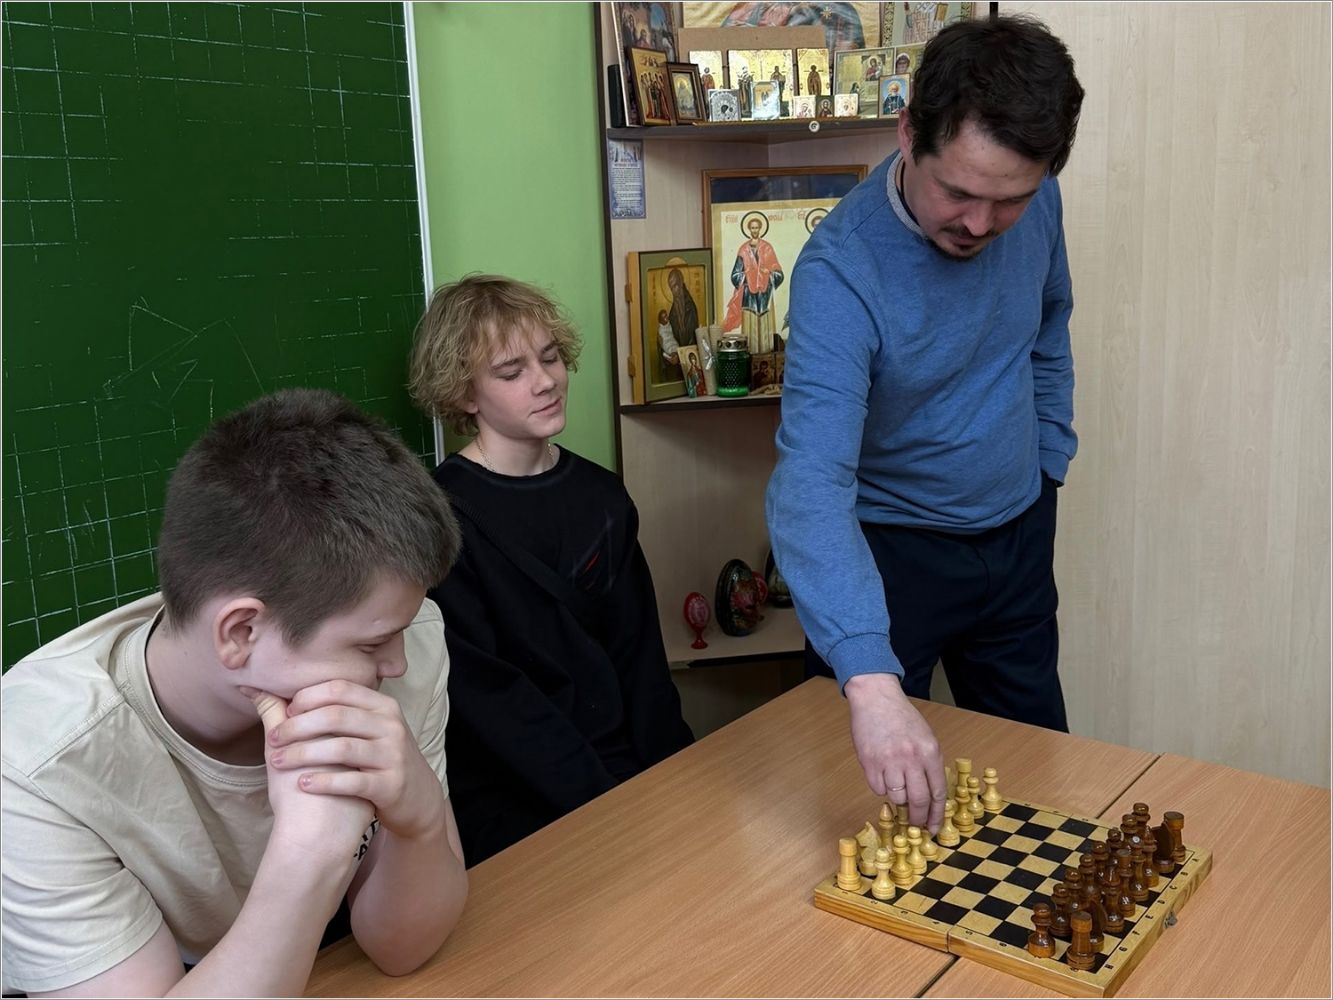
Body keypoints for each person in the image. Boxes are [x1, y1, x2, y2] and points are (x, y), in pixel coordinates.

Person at [0, 389, 469, 996]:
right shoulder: (34, 765)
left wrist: (420, 819)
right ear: (242, 632)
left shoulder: (405, 637)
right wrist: (309, 854)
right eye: (373, 643)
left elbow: (403, 951)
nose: (398, 662)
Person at [765, 15, 1085, 836]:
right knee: (878, 815)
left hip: (1017, 532)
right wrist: (870, 680)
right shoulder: (840, 272)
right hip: (888, 556)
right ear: (908, 132)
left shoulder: (1036, 197)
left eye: (1007, 200)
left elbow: (1049, 326)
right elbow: (811, 481)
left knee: (1032, 794)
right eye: (959, 193)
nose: (979, 224)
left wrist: (1048, 459)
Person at [408, 274, 694, 866]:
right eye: (511, 372)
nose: (545, 381)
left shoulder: (602, 496)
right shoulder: (439, 520)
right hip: (513, 795)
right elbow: (489, 699)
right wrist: (604, 803)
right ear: (465, 394)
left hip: (618, 771)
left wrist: (674, 780)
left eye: (550, 357)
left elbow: (641, 658)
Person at [723, 214, 785, 353]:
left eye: (757, 227)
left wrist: (768, 272)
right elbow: (735, 275)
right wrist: (746, 275)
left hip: (765, 294)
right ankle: (750, 354)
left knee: (766, 329)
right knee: (750, 329)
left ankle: (767, 354)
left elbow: (779, 273)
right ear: (749, 229)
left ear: (760, 229)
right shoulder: (743, 250)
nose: (755, 230)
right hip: (749, 296)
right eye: (752, 228)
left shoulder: (767, 248)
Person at [666, 266, 701, 351]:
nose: (674, 291)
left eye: (675, 285)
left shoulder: (690, 307)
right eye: (671, 288)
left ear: (681, 282)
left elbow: (693, 334)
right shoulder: (672, 313)